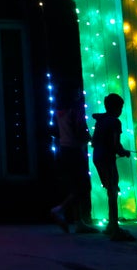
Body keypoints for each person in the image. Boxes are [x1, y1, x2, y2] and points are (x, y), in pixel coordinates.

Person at [90, 91, 136, 242]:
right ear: (116, 108)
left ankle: (111, 224)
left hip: (97, 157)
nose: (121, 111)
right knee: (113, 191)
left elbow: (94, 141)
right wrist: (123, 152)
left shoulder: (101, 121)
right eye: (121, 108)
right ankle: (115, 228)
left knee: (111, 189)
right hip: (107, 159)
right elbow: (116, 144)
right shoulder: (115, 122)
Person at [50, 83, 96, 233]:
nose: (80, 94)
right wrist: (90, 139)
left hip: (64, 149)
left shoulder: (58, 110)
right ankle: (61, 209)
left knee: (74, 185)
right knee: (83, 186)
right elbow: (80, 130)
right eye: (77, 91)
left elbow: (55, 131)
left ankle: (78, 221)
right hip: (75, 150)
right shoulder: (75, 110)